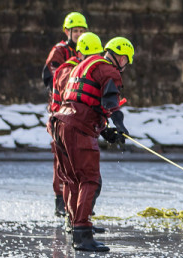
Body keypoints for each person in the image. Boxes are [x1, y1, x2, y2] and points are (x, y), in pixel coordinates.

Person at [52, 36, 134, 252]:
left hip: (60, 124)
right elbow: (109, 101)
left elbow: (82, 100)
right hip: (78, 128)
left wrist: (106, 131)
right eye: (127, 60)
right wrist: (119, 122)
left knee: (71, 179)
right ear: (121, 56)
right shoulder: (109, 71)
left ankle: (73, 225)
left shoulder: (83, 65)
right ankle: (83, 234)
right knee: (90, 180)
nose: (125, 65)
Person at [46, 32, 104, 221]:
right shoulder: (68, 69)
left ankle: (77, 218)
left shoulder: (80, 68)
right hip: (65, 124)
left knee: (77, 176)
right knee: (76, 176)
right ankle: (74, 219)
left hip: (69, 123)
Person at [42, 12, 88, 217]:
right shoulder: (60, 51)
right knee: (60, 155)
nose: (78, 34)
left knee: (77, 155)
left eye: (81, 30)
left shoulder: (87, 51)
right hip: (60, 110)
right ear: (67, 31)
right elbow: (49, 76)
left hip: (78, 112)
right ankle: (59, 198)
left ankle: (76, 200)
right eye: (75, 30)